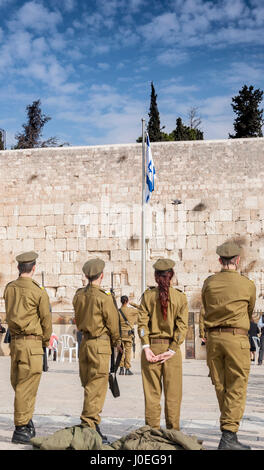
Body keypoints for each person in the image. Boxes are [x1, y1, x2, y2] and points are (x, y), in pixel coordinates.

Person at [202, 241, 256, 450]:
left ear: (219, 260)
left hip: (214, 340)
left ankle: (228, 431)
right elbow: (250, 310)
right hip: (236, 339)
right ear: (238, 260)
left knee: (221, 386)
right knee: (236, 387)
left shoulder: (209, 283)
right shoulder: (247, 284)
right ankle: (229, 436)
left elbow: (206, 307)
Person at [4, 251, 52, 444]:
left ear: (18, 268)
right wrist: (46, 341)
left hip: (15, 343)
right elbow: (46, 320)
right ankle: (21, 427)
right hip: (32, 343)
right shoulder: (38, 291)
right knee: (27, 385)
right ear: (34, 268)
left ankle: (26, 420)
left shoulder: (9, 288)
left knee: (19, 383)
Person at [73, 258, 122, 443]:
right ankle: (89, 427)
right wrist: (118, 342)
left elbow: (77, 319)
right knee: (97, 387)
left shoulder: (78, 296)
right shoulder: (104, 297)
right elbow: (112, 322)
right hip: (100, 345)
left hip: (84, 343)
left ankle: (92, 424)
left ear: (86, 276)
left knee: (88, 386)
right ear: (102, 275)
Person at [138, 258, 188, 430]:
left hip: (151, 348)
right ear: (171, 276)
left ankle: (152, 433)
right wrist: (173, 349)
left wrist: (145, 346)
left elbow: (142, 325)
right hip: (170, 351)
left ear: (155, 276)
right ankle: (172, 433)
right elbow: (182, 327)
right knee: (173, 395)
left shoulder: (147, 296)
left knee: (152, 394)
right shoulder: (180, 298)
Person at [119, 295, 138, 376]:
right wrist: (132, 303)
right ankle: (127, 369)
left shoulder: (118, 311)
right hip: (128, 334)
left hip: (120, 334)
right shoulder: (131, 310)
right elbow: (142, 308)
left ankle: (121, 369)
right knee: (128, 351)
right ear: (126, 301)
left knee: (121, 352)